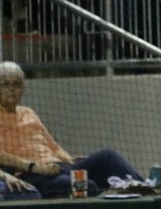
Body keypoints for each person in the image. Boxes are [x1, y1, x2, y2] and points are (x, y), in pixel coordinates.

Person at [0, 61, 152, 198]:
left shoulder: (28, 112)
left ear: (23, 88)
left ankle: (147, 188)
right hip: (32, 175)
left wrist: (68, 159)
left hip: (58, 168)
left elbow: (53, 146)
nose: (12, 89)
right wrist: (35, 167)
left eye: (17, 84)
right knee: (86, 186)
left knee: (107, 157)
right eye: (6, 84)